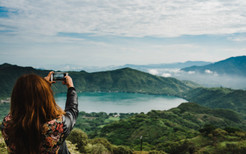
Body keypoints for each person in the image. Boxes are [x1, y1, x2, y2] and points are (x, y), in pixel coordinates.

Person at [0, 71, 78, 154]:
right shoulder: (56, 127)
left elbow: (27, 104)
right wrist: (71, 87)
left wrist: (43, 86)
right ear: (47, 97)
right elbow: (72, 111)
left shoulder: (7, 125)